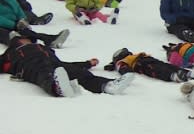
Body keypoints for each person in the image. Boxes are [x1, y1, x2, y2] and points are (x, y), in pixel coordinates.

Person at [0, 33, 134, 98]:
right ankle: (56, 88)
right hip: (30, 65)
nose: (28, 40)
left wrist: (87, 64)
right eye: (24, 39)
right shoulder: (11, 53)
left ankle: (107, 86)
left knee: (77, 72)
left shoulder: (43, 48)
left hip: (55, 63)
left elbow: (65, 64)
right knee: (43, 74)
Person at [0, 0, 69, 47]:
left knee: (27, 32)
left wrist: (22, 19)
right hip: (4, 25)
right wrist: (13, 24)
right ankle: (17, 41)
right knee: (5, 33)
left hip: (14, 23)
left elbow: (18, 9)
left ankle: (51, 39)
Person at [104, 47, 194, 83]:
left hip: (146, 59)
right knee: (157, 69)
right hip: (140, 64)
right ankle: (172, 76)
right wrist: (126, 72)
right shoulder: (121, 62)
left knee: (166, 65)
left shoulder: (132, 56)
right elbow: (121, 67)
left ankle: (186, 73)